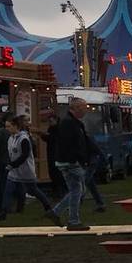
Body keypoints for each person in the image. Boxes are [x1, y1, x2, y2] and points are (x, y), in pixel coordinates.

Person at [0, 114, 55, 221]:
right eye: (6, 126)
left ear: (16, 126)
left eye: (9, 126)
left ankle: (48, 207)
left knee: (33, 190)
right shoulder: (11, 138)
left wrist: (13, 164)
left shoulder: (23, 138)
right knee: (8, 190)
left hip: (26, 170)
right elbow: (11, 153)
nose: (7, 129)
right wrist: (11, 164)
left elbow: (25, 155)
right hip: (14, 170)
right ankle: (3, 212)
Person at [49, 97, 93, 231]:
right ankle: (73, 220)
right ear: (77, 108)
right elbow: (71, 144)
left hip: (66, 161)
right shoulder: (70, 124)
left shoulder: (71, 122)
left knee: (76, 190)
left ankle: (57, 212)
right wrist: (79, 159)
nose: (86, 110)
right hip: (70, 162)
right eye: (84, 108)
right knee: (78, 190)